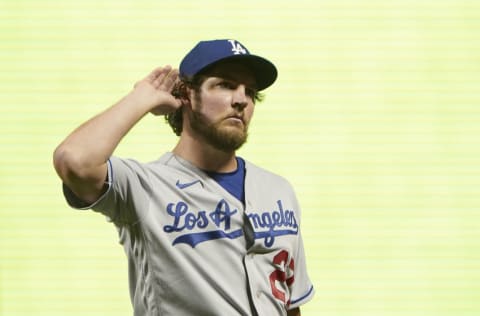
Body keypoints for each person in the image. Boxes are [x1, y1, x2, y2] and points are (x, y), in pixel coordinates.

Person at [53, 39, 314, 316]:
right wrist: (141, 99)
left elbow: (289, 303)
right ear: (186, 95)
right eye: (225, 84)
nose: (241, 100)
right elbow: (74, 161)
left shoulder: (278, 191)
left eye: (249, 92)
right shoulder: (145, 187)